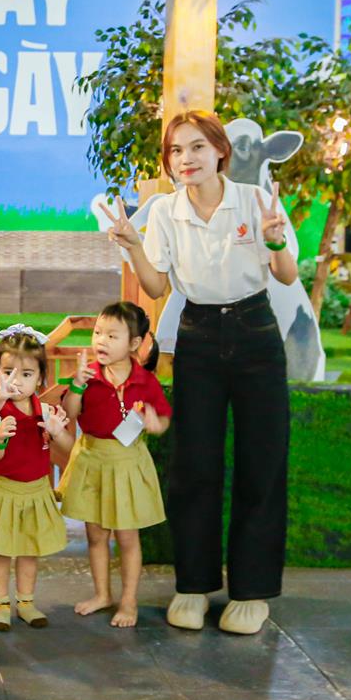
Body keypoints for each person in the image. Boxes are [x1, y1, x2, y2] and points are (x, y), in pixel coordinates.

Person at [106, 109, 296, 636]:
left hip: (256, 332)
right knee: (194, 463)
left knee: (262, 462)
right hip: (198, 335)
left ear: (219, 152)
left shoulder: (255, 201)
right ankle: (193, 586)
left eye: (196, 147)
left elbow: (285, 275)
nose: (185, 159)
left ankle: (251, 591)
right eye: (175, 150)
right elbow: (156, 286)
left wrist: (275, 240)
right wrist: (133, 245)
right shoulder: (166, 211)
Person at [57, 301, 172, 627]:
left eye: (112, 335)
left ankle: (129, 601)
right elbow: (70, 412)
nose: (101, 341)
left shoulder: (145, 381)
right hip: (92, 459)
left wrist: (156, 424)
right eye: (97, 333)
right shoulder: (89, 376)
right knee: (95, 535)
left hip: (127, 464)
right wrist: (77, 385)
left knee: (127, 537)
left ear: (134, 343)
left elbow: (162, 419)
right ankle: (102, 594)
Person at [0, 324, 75, 631]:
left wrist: (57, 432)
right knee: (1, 551)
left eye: (26, 374)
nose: (16, 381)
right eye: (8, 373)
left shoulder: (47, 411)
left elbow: (70, 449)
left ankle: (26, 602)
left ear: (40, 378)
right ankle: (0, 605)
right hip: (3, 490)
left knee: (30, 550)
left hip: (36, 490)